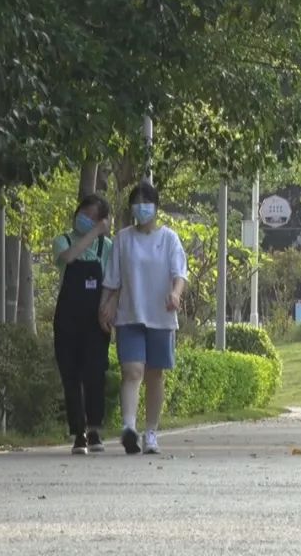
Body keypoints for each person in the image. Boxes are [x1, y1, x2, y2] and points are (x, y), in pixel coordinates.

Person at [99, 182, 187, 455]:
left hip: (161, 316)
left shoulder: (169, 238)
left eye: (146, 202)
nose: (141, 207)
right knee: (132, 370)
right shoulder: (123, 239)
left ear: (156, 206)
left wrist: (175, 294)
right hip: (130, 314)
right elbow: (112, 279)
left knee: (155, 374)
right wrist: (105, 306)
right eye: (136, 202)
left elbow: (179, 273)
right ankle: (128, 428)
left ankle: (151, 432)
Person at [52, 194, 113, 455]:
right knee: (71, 376)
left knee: (94, 374)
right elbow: (69, 258)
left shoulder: (106, 247)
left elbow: (112, 282)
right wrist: (93, 233)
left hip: (95, 320)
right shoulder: (63, 240)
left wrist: (107, 310)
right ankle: (78, 432)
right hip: (67, 319)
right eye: (83, 213)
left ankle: (95, 429)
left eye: (92, 216)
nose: (85, 219)